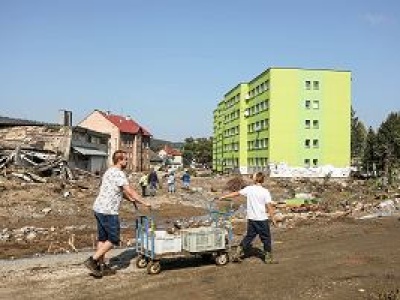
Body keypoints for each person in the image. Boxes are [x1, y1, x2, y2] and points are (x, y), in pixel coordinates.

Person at [84, 150, 151, 278]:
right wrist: (144, 202)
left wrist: (128, 199)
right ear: (119, 160)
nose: (127, 161)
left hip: (99, 208)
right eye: (125, 159)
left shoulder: (109, 171)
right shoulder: (119, 174)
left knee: (103, 238)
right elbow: (129, 190)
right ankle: (92, 260)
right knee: (114, 239)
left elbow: (117, 190)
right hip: (108, 210)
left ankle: (101, 265)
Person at [219, 172, 277, 264]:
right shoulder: (265, 191)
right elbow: (269, 206)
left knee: (249, 237)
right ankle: (268, 258)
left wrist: (223, 197)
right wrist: (273, 218)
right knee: (266, 239)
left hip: (252, 219)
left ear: (255, 179)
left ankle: (237, 254)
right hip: (262, 219)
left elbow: (236, 193)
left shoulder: (249, 189)